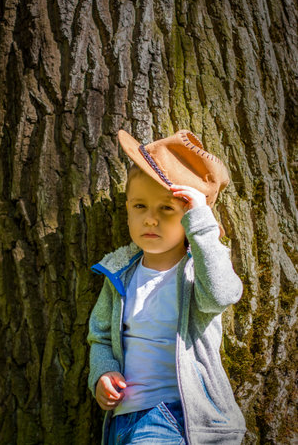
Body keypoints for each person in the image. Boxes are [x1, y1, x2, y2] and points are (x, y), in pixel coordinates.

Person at [87, 129, 247, 444]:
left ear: (191, 217)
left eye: (167, 209)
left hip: (175, 417)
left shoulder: (198, 270)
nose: (150, 219)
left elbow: (222, 295)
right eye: (139, 207)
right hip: (122, 419)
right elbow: (101, 337)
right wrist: (102, 375)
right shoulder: (120, 273)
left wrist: (202, 221)